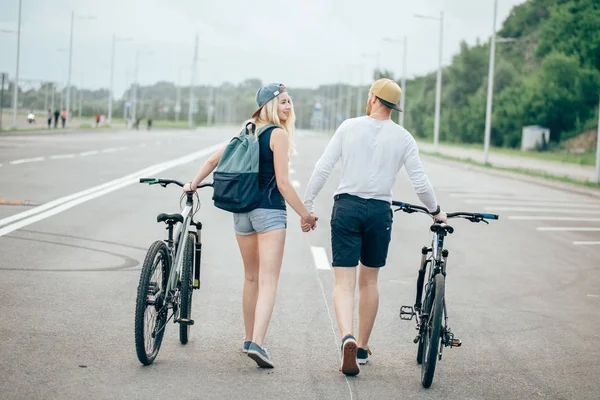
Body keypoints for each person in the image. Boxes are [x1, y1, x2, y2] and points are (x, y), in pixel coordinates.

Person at [303, 78, 447, 376]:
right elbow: (420, 182)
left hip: (347, 207)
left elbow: (323, 167)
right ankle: (364, 347)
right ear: (394, 107)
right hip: (380, 211)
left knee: (343, 282)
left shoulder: (348, 127)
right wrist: (436, 211)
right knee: (369, 281)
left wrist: (309, 204)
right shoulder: (404, 138)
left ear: (372, 98)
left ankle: (347, 337)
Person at [183, 83, 318, 368]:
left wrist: (192, 185)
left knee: (251, 278)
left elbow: (212, 159)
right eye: (282, 102)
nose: (288, 106)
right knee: (267, 280)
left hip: (241, 212)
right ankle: (256, 342)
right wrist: (305, 215)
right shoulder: (277, 134)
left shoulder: (246, 131)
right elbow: (282, 183)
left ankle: (248, 338)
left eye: (290, 101)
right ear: (269, 105)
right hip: (268, 212)